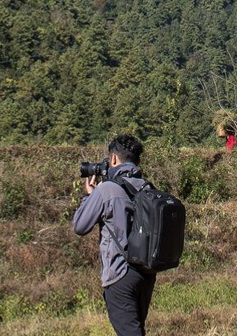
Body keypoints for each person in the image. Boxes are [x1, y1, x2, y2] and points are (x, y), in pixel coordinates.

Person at [72, 135, 156, 336]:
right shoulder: (146, 188)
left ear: (113, 160)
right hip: (145, 273)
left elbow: (80, 226)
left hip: (120, 273)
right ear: (138, 162)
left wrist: (90, 196)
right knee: (136, 329)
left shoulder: (107, 189)